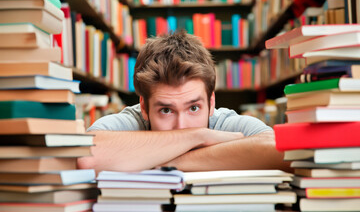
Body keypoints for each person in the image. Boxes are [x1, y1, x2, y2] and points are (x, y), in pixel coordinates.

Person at [78, 30, 290, 173]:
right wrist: (199, 135)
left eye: (194, 108)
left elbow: (281, 149)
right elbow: (87, 155)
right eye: (166, 111)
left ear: (211, 103)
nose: (182, 127)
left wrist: (168, 162)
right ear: (144, 108)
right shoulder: (133, 121)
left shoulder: (224, 123)